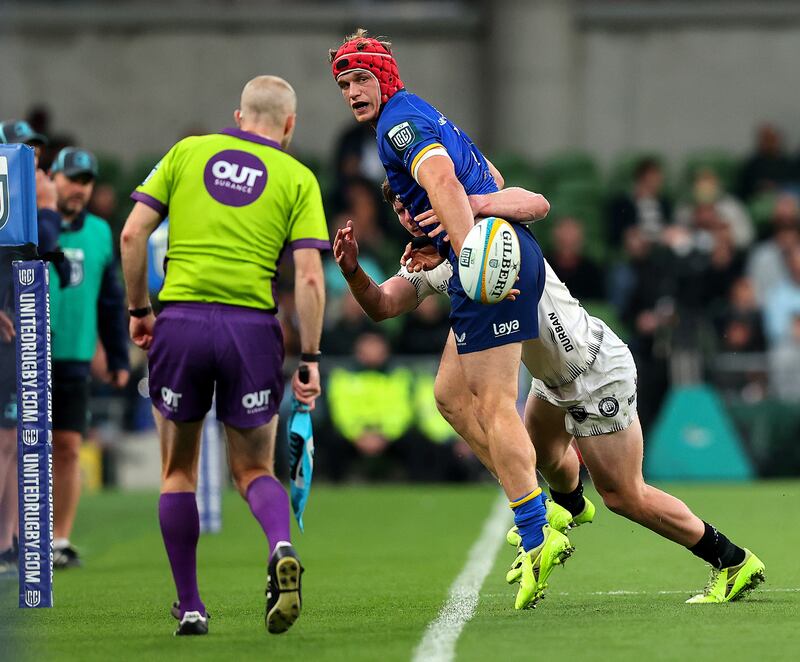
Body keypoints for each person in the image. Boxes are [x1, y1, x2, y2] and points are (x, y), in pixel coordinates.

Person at [335, 181, 766, 605]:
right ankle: (570, 506)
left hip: (595, 371)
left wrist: (477, 201)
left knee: (623, 495)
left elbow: (537, 202)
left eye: (413, 203)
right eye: (398, 210)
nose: (408, 215)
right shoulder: (438, 258)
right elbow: (383, 304)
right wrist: (354, 272)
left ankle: (731, 560)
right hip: (552, 381)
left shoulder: (486, 229)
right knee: (529, 454)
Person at [329, 29, 568, 610]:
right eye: (343, 84)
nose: (353, 91)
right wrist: (364, 269)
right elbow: (488, 178)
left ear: (384, 76)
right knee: (450, 398)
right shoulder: (420, 115)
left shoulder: (396, 125)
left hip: (486, 261)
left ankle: (538, 533)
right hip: (494, 250)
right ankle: (543, 504)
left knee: (491, 401)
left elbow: (442, 182)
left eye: (361, 78)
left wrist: (469, 255)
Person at [120, 75, 327, 636]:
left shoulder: (188, 152)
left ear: (239, 118)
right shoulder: (298, 177)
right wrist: (309, 356)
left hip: (181, 322)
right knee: (254, 468)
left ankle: (189, 604)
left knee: (177, 470)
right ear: (289, 125)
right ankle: (280, 544)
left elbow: (133, 236)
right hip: (251, 328)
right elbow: (309, 277)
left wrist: (140, 311)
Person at [47, 147, 130, 569]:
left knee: (67, 447)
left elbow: (111, 301)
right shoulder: (26, 224)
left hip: (75, 354)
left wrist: (117, 356)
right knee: (14, 449)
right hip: (26, 351)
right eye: (71, 179)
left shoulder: (99, 232)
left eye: (85, 182)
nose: (78, 188)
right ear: (53, 178)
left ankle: (59, 539)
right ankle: (13, 537)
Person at [0, 120, 71, 574]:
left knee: (18, 440)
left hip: (21, 325)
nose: (36, 160)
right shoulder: (21, 196)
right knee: (9, 440)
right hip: (9, 329)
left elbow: (42, 258)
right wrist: (47, 207)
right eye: (25, 150)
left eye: (37, 151)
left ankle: (12, 543)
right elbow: (41, 243)